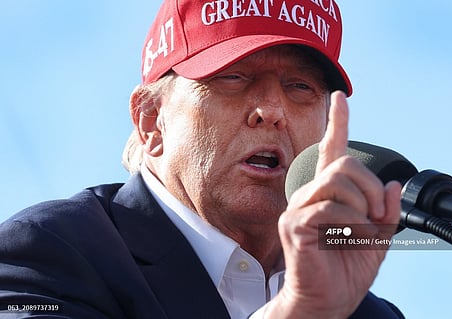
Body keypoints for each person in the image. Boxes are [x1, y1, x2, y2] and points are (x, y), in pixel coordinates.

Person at [0, 0, 405, 318]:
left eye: (300, 86)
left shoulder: (367, 312)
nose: (272, 109)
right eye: (232, 77)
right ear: (151, 120)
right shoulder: (46, 253)